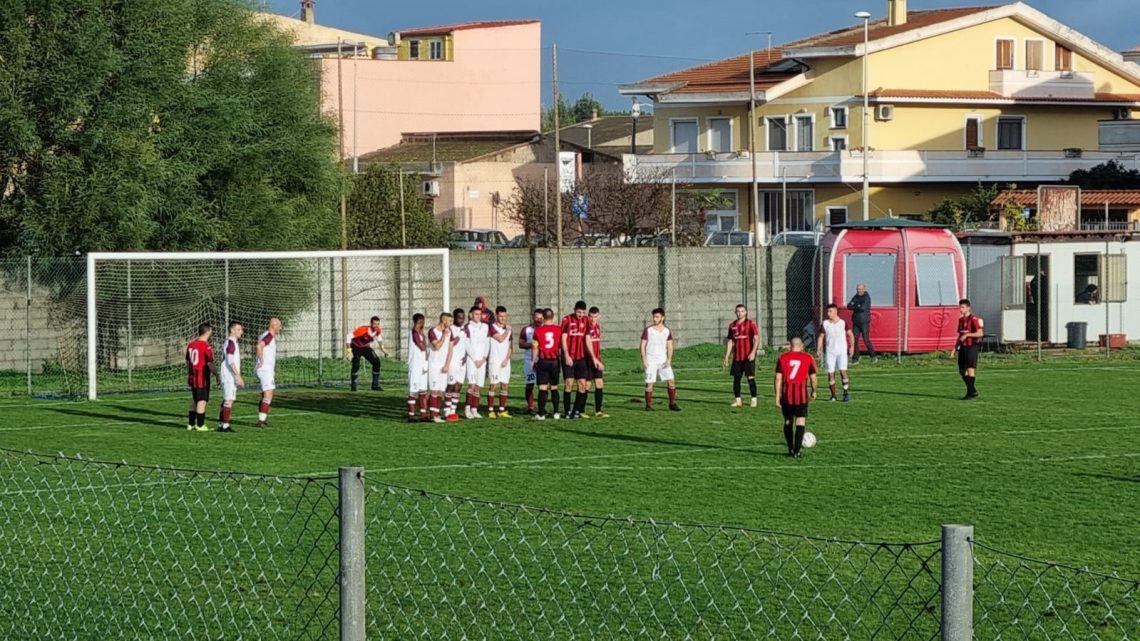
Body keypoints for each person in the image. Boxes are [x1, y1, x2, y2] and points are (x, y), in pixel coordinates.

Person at [774, 337, 819, 458]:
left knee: (788, 421)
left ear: (790, 346)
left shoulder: (782, 358)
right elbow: (813, 378)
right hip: (801, 395)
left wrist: (777, 396)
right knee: (800, 421)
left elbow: (778, 378)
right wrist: (814, 391)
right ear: (802, 346)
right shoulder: (808, 358)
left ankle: (790, 449)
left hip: (787, 395)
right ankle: (797, 452)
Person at [641, 307, 680, 411]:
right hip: (651, 361)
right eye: (653, 317)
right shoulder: (648, 330)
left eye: (657, 317)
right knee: (649, 383)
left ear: (662, 318)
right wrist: (644, 359)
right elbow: (642, 345)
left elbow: (670, 346)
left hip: (663, 360)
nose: (654, 319)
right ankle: (648, 405)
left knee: (671, 381)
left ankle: (672, 404)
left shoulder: (667, 331)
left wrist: (669, 360)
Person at [722, 304, 760, 408]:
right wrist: (726, 357)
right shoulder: (732, 325)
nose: (740, 313)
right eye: (738, 311)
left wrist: (753, 352)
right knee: (736, 379)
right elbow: (730, 341)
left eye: (742, 311)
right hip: (737, 357)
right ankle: (738, 400)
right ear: (735, 312)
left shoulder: (750, 323)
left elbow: (756, 338)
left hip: (748, 356)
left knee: (750, 378)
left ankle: (753, 399)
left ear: (746, 312)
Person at [560, 300, 592, 419]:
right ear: (574, 310)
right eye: (579, 312)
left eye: (583, 312)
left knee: (582, 384)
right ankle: (567, 411)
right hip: (569, 357)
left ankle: (576, 411)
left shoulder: (586, 321)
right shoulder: (566, 320)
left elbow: (588, 339)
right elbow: (563, 338)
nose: (581, 315)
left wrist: (593, 357)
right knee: (569, 383)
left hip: (581, 357)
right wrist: (566, 355)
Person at [817, 304, 855, 402]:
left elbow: (850, 335)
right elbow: (821, 337)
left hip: (841, 351)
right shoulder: (825, 323)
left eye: (830, 311)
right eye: (827, 311)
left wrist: (852, 347)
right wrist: (819, 349)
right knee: (830, 373)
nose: (828, 313)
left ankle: (845, 393)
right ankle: (833, 396)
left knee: (843, 371)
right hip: (830, 352)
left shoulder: (843, 323)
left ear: (835, 311)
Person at [185, 323, 218, 432]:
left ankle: (190, 424)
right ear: (208, 332)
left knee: (195, 400)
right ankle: (200, 425)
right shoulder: (205, 346)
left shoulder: (191, 345)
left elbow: (188, 361)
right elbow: (210, 363)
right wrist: (217, 375)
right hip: (202, 377)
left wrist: (189, 373)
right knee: (202, 401)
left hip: (193, 376)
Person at [532, 309, 563, 420]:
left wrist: (533, 360)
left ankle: (541, 414)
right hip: (554, 360)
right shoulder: (559, 330)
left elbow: (535, 347)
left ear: (543, 318)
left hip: (543, 361)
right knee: (554, 387)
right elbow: (560, 347)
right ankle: (556, 413)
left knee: (542, 388)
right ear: (553, 317)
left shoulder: (537, 331)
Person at [953, 298, 984, 400]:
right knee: (962, 371)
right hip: (963, 347)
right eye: (960, 307)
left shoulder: (974, 319)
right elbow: (960, 335)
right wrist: (954, 348)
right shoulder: (961, 320)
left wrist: (967, 335)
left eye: (963, 307)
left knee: (970, 369)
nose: (961, 309)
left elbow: (980, 333)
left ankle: (970, 392)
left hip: (972, 347)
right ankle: (972, 390)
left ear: (968, 308)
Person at [217, 321, 244, 432]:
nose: (241, 332)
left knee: (226, 399)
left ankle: (221, 424)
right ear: (232, 330)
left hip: (227, 375)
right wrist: (237, 376)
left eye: (241, 330)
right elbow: (230, 360)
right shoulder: (231, 342)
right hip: (229, 376)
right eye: (238, 329)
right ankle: (225, 425)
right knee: (229, 399)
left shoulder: (231, 342)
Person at [426, 312, 454, 423]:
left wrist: (447, 365)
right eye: (450, 321)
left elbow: (450, 349)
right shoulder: (433, 331)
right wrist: (443, 335)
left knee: (441, 392)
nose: (451, 324)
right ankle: (433, 415)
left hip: (443, 366)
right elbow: (437, 346)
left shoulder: (450, 332)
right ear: (444, 321)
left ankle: (435, 413)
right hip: (434, 365)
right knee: (434, 390)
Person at [464, 305, 491, 419]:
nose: (478, 316)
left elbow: (487, 342)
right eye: (476, 314)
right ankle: (467, 409)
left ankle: (475, 409)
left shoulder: (485, 326)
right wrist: (475, 359)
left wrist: (484, 358)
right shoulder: (468, 327)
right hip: (472, 360)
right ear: (470, 315)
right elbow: (467, 344)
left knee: (479, 386)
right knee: (472, 384)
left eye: (480, 314)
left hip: (482, 360)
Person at [486, 306, 513, 418]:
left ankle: (502, 410)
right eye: (501, 316)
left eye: (504, 316)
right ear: (496, 316)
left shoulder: (508, 329)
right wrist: (508, 330)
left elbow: (510, 347)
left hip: (505, 362)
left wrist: (506, 359)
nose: (503, 318)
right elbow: (501, 339)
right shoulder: (491, 327)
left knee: (505, 385)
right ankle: (491, 410)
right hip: (495, 360)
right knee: (493, 385)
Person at [254, 317, 282, 428]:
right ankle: (261, 421)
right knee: (268, 394)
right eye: (279, 325)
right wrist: (261, 360)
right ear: (273, 325)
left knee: (265, 394)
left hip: (265, 369)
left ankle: (262, 419)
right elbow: (259, 346)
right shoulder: (269, 336)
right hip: (264, 369)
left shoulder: (266, 335)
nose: (281, 328)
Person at [346, 316, 386, 392]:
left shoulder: (378, 330)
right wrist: (349, 351)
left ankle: (375, 384)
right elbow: (349, 336)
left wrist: (382, 348)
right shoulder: (363, 330)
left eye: (378, 324)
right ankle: (353, 385)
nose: (376, 326)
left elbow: (379, 338)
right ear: (371, 324)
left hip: (365, 347)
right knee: (356, 364)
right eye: (374, 324)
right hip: (356, 346)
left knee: (377, 362)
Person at [444, 308, 468, 421]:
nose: (461, 320)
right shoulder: (450, 329)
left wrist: (466, 355)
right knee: (451, 385)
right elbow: (451, 345)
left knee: (458, 386)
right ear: (454, 318)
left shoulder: (465, 329)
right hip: (453, 361)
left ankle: (453, 411)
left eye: (463, 317)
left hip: (462, 363)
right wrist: (459, 336)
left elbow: (467, 344)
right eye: (459, 317)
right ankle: (446, 410)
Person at [519, 308, 543, 415]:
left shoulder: (546, 329)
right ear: (533, 317)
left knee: (543, 385)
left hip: (542, 360)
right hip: (529, 360)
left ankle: (542, 407)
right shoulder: (527, 329)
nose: (538, 320)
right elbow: (521, 344)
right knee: (530, 384)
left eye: (540, 318)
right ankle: (530, 407)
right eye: (536, 317)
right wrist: (532, 345)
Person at [406, 313, 429, 422]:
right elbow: (422, 346)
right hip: (415, 365)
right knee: (413, 391)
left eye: (423, 322)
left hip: (423, 365)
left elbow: (425, 348)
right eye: (419, 322)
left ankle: (423, 414)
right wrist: (423, 339)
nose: (422, 324)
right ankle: (411, 415)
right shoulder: (413, 333)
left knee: (423, 390)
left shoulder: (421, 334)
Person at [585, 306, 607, 417]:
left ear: (599, 316)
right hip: (588, 361)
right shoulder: (587, 327)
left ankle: (598, 410)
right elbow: (587, 344)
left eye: (595, 317)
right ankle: (581, 410)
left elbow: (597, 344)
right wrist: (593, 358)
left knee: (599, 383)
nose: (593, 319)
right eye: (591, 316)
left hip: (597, 360)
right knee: (587, 385)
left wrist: (599, 359)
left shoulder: (597, 327)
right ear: (588, 316)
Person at [846, 283, 876, 362]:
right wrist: (857, 306)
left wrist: (855, 306)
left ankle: (873, 356)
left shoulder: (866, 297)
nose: (859, 291)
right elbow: (849, 306)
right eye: (857, 289)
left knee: (866, 339)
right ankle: (856, 358)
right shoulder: (855, 297)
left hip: (864, 322)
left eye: (860, 289)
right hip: (856, 322)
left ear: (864, 289)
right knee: (855, 339)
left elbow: (863, 308)